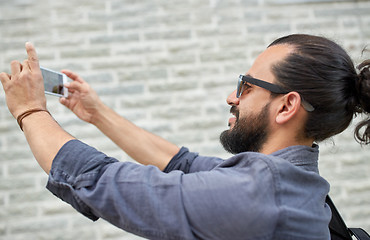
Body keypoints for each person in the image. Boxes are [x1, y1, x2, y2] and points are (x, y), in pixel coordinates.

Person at [0, 34, 369, 240]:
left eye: (246, 86)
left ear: (287, 106)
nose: (232, 96)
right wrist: (97, 113)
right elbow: (183, 164)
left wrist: (30, 110)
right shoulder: (294, 183)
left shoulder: (262, 194)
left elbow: (101, 182)